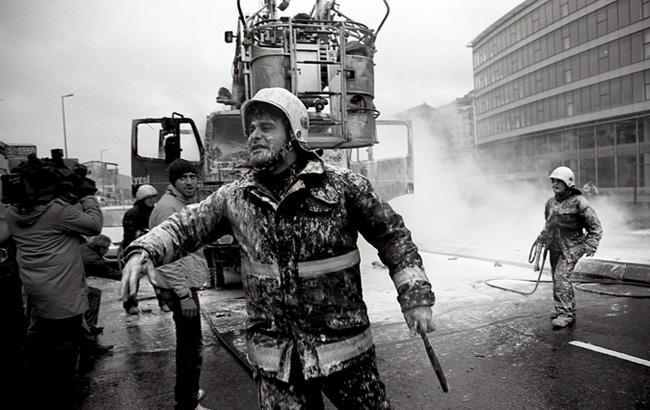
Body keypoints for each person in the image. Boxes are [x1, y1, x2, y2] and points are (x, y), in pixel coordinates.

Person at [121, 88, 436, 409]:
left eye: (267, 127)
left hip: (344, 350)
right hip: (278, 362)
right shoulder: (236, 197)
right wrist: (142, 251)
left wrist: (414, 297)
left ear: (294, 134)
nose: (254, 136)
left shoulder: (342, 186)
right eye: (252, 129)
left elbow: (392, 236)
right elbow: (185, 226)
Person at [6, 155, 102, 410]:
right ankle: (66, 395)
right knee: (65, 352)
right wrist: (86, 194)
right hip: (64, 295)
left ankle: (46, 391)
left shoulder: (12, 212)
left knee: (43, 347)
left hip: (36, 293)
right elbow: (94, 225)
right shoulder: (59, 212)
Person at [144, 158, 211, 410]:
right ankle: (187, 402)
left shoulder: (179, 204)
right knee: (190, 346)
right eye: (183, 178)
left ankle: (189, 392)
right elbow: (166, 259)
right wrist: (184, 295)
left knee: (191, 343)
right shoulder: (168, 209)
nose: (190, 182)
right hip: (178, 288)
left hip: (182, 285)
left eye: (192, 176)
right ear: (173, 181)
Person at [538, 166, 603, 329]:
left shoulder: (579, 202)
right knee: (557, 277)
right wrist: (543, 237)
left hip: (572, 247)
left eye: (559, 181)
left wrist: (591, 244)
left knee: (561, 277)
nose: (555, 184)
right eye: (553, 181)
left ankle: (565, 314)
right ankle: (566, 308)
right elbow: (549, 223)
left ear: (568, 183)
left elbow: (595, 227)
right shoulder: (550, 202)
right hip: (555, 245)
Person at [79, 234, 121, 354]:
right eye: (107, 248)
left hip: (68, 282)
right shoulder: (93, 260)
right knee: (92, 296)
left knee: (93, 294)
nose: (108, 250)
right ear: (102, 249)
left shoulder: (84, 249)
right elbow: (111, 273)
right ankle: (90, 333)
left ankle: (89, 327)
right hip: (71, 287)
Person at [121, 184, 158, 314]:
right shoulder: (132, 213)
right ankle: (130, 303)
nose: (153, 200)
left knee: (158, 276)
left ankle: (164, 301)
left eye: (154, 197)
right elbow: (129, 233)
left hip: (153, 248)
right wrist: (143, 233)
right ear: (142, 198)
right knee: (133, 277)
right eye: (149, 198)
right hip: (135, 250)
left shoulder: (156, 211)